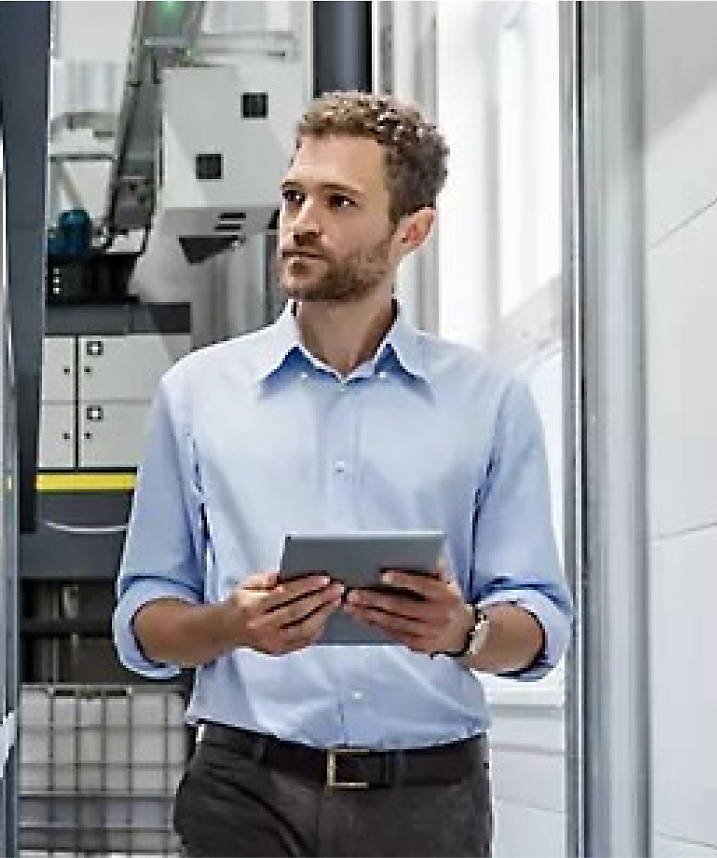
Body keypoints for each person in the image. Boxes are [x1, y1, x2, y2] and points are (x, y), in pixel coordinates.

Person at [110, 91, 574, 858]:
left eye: (339, 201)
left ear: (411, 231)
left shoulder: (490, 402)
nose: (303, 221)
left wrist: (462, 630)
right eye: (294, 195)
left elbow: (539, 629)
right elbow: (142, 619)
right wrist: (230, 626)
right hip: (244, 789)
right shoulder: (196, 394)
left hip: (428, 800)